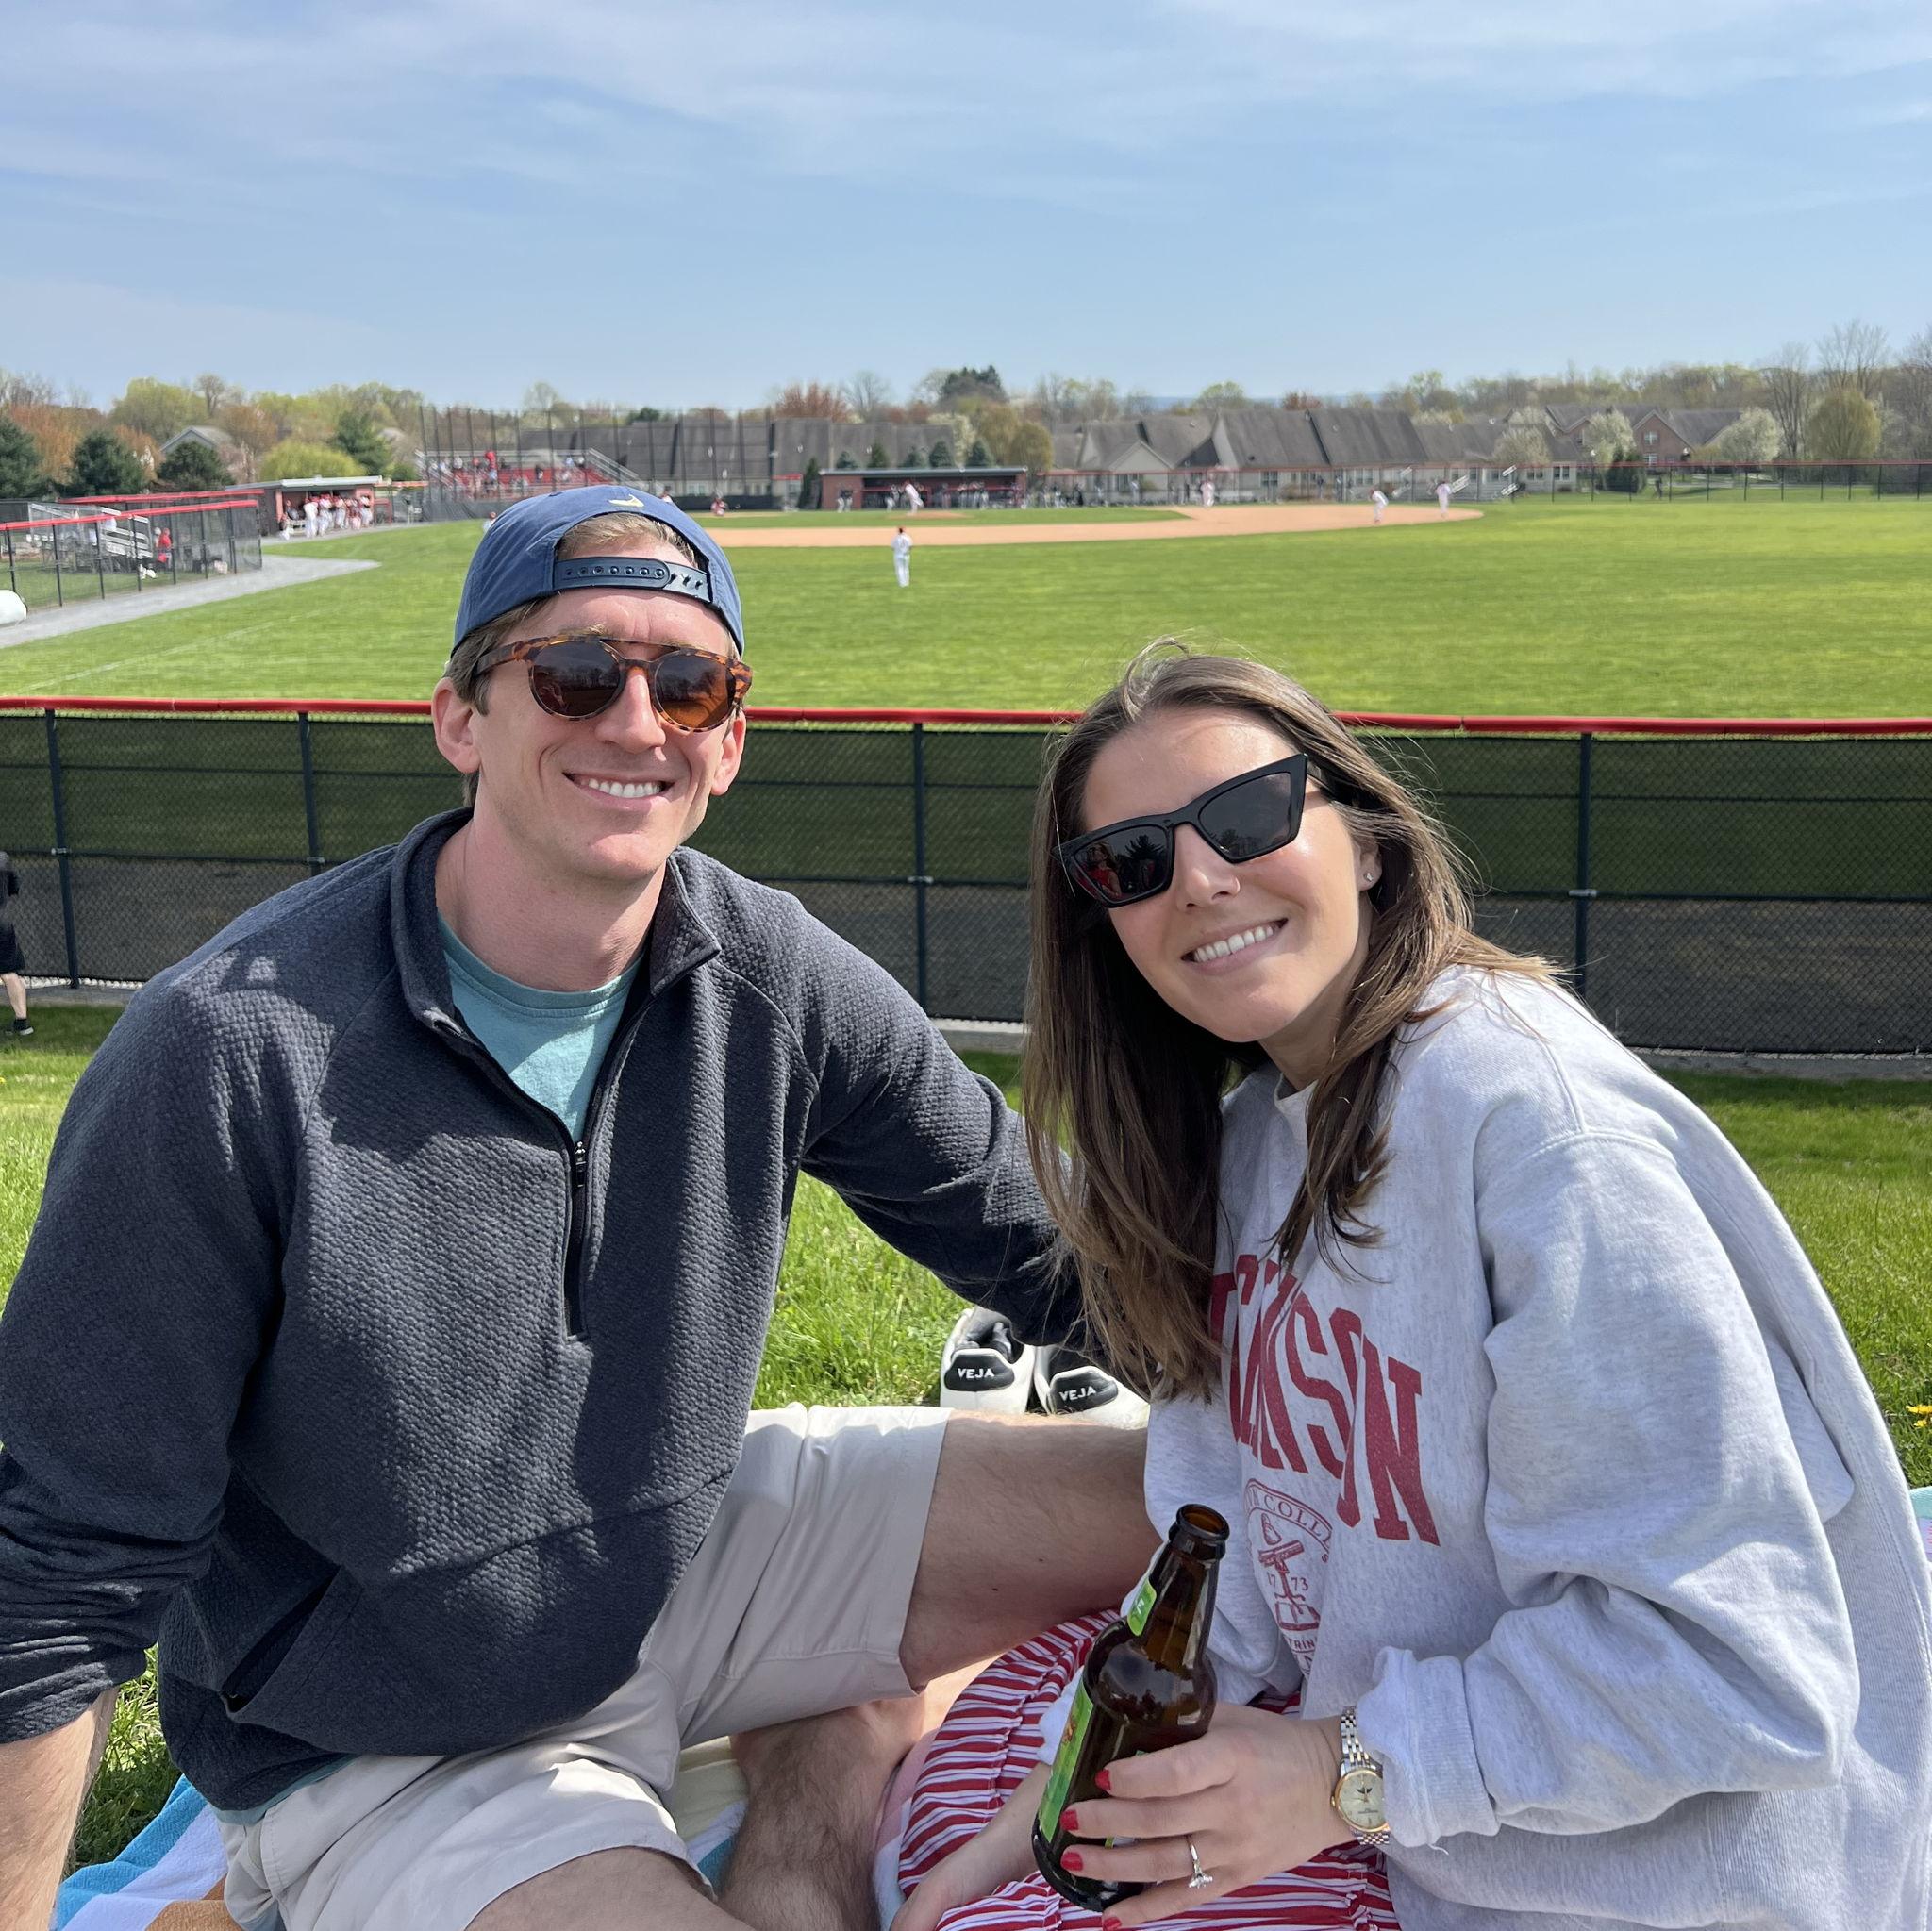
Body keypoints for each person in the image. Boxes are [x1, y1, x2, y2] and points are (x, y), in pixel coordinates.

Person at [0, 487, 1153, 1931]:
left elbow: (1042, 1239)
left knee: (1198, 1495)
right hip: (403, 1736)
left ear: (729, 740)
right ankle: (285, 1886)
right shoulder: (230, 1047)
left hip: (677, 1545)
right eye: (572, 671)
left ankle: (824, 1766)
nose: (634, 719)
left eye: (690, 681)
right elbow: (63, 1568)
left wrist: (1350, 1380)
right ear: (460, 717)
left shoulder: (765, 970)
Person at [896, 646, 1932, 1931]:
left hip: (1669, 1890)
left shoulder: (1544, 1141)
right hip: (1432, 1837)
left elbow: (1738, 1667)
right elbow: (1229, 1551)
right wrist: (1052, 1801)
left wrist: (1342, 1776)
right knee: (930, 1827)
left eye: (1247, 815)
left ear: (1370, 840)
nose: (1201, 878)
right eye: (1132, 861)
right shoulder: (1263, 1141)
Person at [0, 848, 30, 1036]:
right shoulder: (3, 859)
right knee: (10, 972)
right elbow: (14, 888)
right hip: (2, 923)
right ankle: (22, 1022)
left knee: (8, 973)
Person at [892, 524, 912, 589]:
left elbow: (892, 547)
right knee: (906, 569)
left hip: (898, 555)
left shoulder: (895, 538)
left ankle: (902, 584)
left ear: (898, 531)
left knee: (900, 569)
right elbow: (910, 546)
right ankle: (907, 583)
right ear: (904, 530)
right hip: (906, 555)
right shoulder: (907, 537)